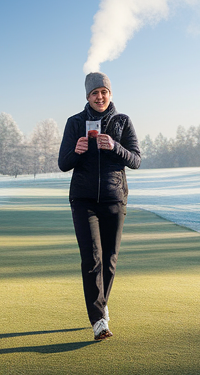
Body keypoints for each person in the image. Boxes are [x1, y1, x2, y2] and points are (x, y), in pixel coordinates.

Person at [58, 71, 141, 341]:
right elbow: (63, 163)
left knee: (110, 259)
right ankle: (98, 321)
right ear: (87, 96)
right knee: (91, 257)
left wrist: (115, 146)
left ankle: (101, 302)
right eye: (95, 92)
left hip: (114, 197)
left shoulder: (122, 121)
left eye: (104, 91)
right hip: (83, 200)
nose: (100, 96)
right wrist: (77, 151)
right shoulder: (74, 123)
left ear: (110, 94)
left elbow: (136, 160)